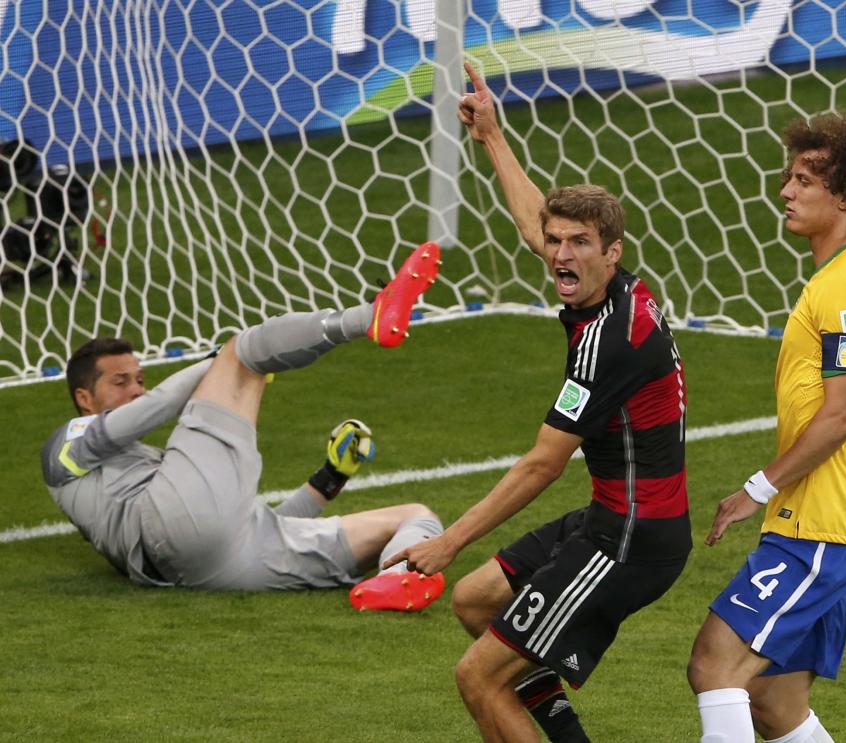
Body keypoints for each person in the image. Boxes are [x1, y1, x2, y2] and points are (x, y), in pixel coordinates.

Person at [385, 63, 692, 742]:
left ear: (612, 252)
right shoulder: (607, 288)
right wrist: (491, 135)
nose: (559, 254)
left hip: (634, 539)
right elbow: (535, 223)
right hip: (612, 514)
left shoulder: (608, 343)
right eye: (556, 242)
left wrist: (448, 541)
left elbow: (542, 465)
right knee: (476, 599)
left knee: (478, 677)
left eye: (579, 243)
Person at [41, 243, 447, 608]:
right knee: (243, 350)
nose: (134, 389)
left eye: (139, 379)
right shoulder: (65, 445)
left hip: (214, 567)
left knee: (416, 516)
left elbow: (245, 523)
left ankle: (396, 581)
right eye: (119, 381)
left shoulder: (159, 470)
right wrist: (220, 360)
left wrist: (330, 477)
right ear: (83, 398)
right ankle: (370, 315)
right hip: (161, 537)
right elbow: (159, 406)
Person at [686, 110, 846, 743]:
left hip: (817, 529)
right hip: (828, 522)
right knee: (770, 700)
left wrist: (757, 490)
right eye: (788, 178)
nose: (785, 191)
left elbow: (844, 415)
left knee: (715, 665)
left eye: (803, 181)